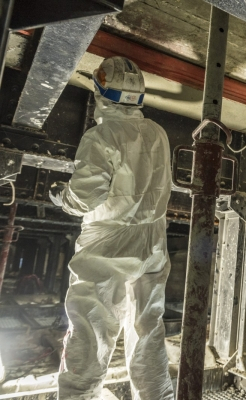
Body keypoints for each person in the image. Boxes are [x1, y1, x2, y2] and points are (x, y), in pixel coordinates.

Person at [50, 56, 174, 400]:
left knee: (91, 330)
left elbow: (85, 197)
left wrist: (63, 198)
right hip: (153, 242)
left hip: (109, 242)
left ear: (100, 94)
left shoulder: (101, 135)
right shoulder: (157, 133)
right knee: (148, 329)